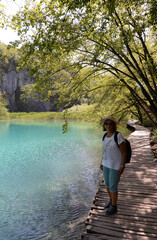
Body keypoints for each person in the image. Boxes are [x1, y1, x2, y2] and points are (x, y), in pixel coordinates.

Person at [100, 115, 127, 216]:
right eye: (106, 123)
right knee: (107, 185)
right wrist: (101, 162)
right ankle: (111, 200)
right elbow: (104, 151)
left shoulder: (118, 136)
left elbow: (124, 152)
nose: (108, 125)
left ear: (115, 125)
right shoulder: (104, 136)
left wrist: (122, 166)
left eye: (110, 123)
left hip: (115, 166)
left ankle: (114, 207)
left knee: (113, 187)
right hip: (106, 164)